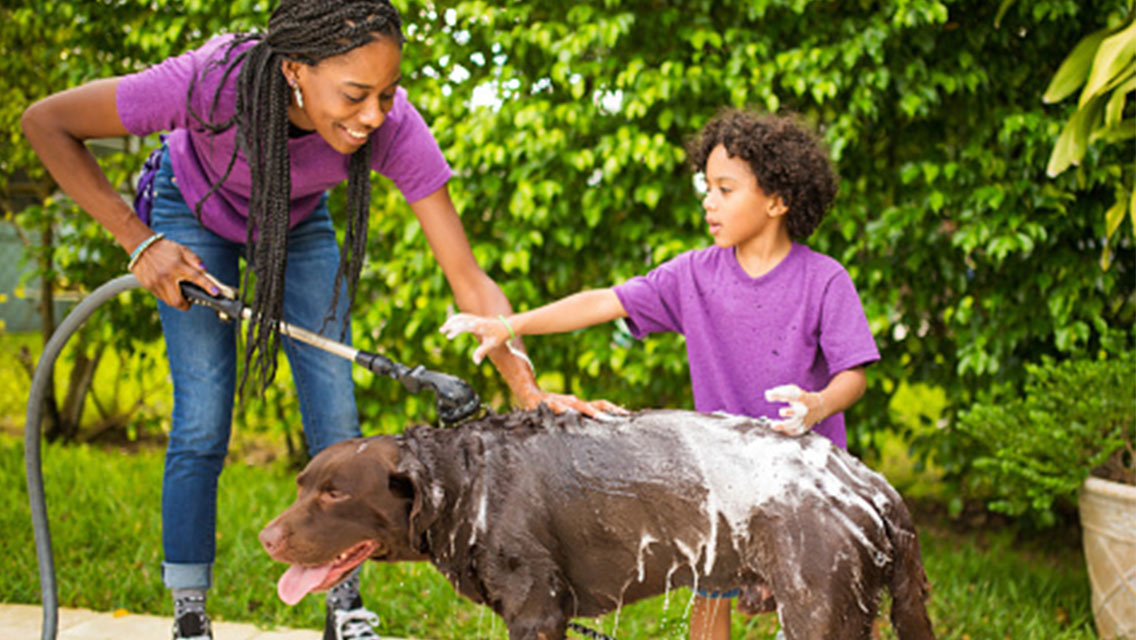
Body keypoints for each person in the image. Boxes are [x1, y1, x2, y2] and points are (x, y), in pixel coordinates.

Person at [20, 2, 607, 638]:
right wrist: (140, 242)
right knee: (201, 417)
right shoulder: (212, 82)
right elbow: (46, 122)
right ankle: (189, 611)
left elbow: (467, 278)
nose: (374, 116)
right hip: (189, 211)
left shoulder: (391, 126)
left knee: (336, 414)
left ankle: (345, 605)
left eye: (386, 93)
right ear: (295, 69)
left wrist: (526, 389)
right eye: (356, 95)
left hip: (296, 223)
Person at [441, 108, 881, 640]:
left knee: (824, 613)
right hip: (723, 482)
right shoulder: (693, 274)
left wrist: (818, 405)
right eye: (707, 187)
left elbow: (853, 375)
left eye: (725, 189)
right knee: (710, 597)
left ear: (777, 200)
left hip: (805, 483)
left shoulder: (823, 280)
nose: (709, 201)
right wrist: (510, 323)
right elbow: (605, 300)